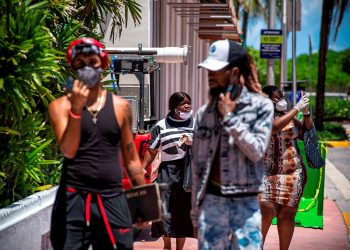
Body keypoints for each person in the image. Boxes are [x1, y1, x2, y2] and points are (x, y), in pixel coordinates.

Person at [48, 37, 146, 250]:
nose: (87, 67)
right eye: (80, 63)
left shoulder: (120, 107)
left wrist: (143, 203)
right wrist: (76, 110)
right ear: (73, 66)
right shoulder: (60, 106)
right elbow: (69, 150)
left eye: (92, 61)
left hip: (111, 196)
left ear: (102, 64)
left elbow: (131, 159)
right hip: (73, 198)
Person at [191, 39, 274, 249]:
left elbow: (256, 151)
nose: (210, 74)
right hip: (211, 203)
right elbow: (198, 168)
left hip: (245, 203)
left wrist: (230, 118)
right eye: (208, 69)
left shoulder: (261, 106)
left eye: (216, 70)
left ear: (235, 72)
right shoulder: (204, 114)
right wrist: (195, 212)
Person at [259, 86, 312, 250]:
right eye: (276, 98)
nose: (281, 101)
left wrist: (306, 114)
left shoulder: (289, 117)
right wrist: (296, 108)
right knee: (266, 210)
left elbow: (306, 133)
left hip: (293, 173)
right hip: (267, 172)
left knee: (287, 215)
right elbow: (274, 128)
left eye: (282, 97)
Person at [142, 91, 195, 250]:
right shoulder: (161, 126)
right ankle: (167, 245)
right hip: (167, 172)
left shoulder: (196, 124)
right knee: (162, 210)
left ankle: (179, 248)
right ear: (173, 107)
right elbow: (152, 151)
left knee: (183, 212)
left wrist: (193, 142)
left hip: (187, 172)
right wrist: (142, 169)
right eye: (182, 103)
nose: (187, 106)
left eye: (188, 103)